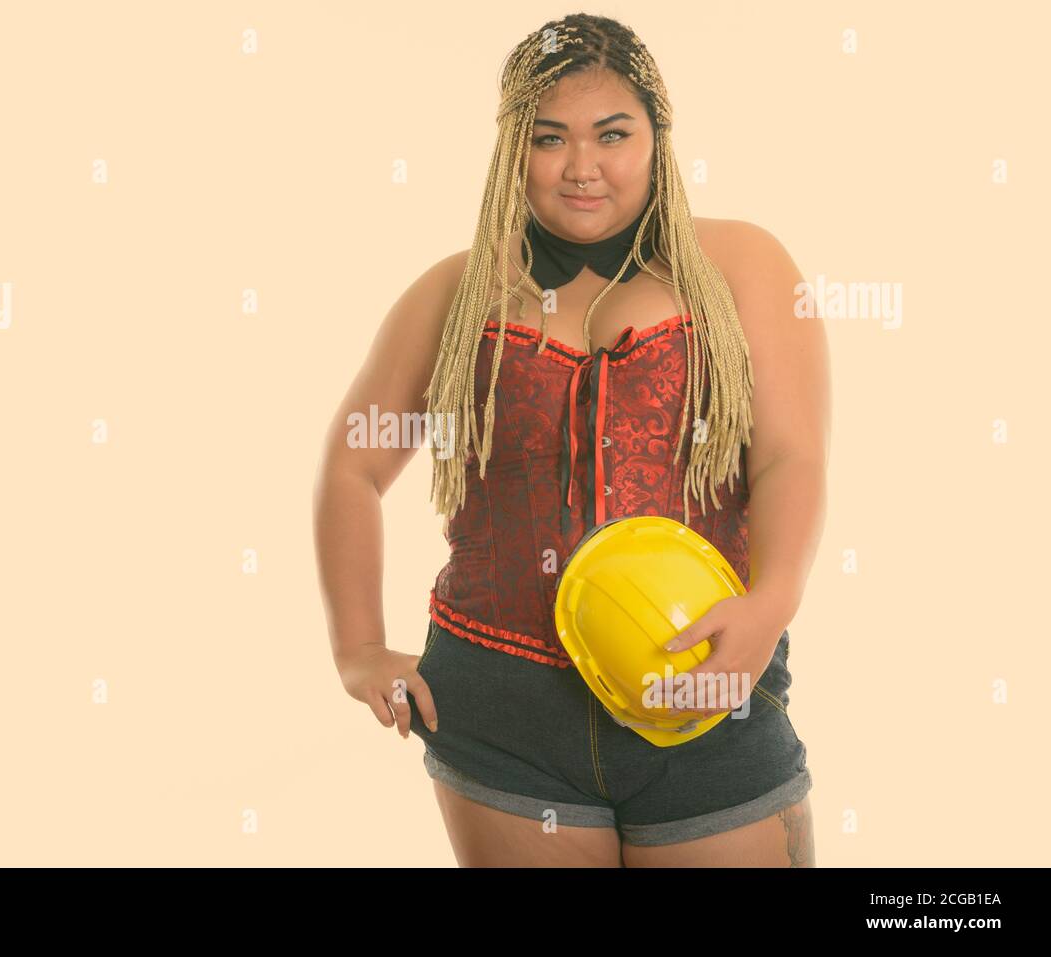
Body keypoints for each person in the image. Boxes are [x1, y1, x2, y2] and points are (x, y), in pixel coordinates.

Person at [312, 13, 830, 867]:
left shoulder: (743, 264)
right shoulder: (456, 292)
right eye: (549, 138)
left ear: (658, 138)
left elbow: (790, 453)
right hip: (500, 704)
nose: (582, 167)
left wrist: (772, 602)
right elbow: (353, 467)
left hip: (707, 678)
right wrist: (357, 646)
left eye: (612, 134)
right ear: (512, 148)